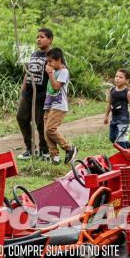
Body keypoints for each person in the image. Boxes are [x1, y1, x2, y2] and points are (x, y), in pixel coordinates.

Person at [16, 28, 54, 160]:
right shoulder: (33, 54)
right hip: (28, 94)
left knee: (40, 123)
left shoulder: (53, 55)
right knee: (21, 117)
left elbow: (60, 72)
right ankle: (30, 149)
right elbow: (27, 71)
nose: (38, 39)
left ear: (50, 40)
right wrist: (23, 88)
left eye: (42, 37)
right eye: (37, 37)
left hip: (43, 95)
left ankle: (45, 151)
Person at [42, 47, 77, 165]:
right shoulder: (55, 71)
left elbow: (56, 86)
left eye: (51, 61)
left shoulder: (64, 72)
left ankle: (68, 148)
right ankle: (54, 156)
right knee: (46, 131)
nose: (49, 64)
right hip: (49, 104)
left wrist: (50, 73)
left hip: (59, 104)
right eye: (47, 61)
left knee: (50, 129)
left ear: (59, 60)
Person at [103, 68, 130, 149]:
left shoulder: (127, 92)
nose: (117, 79)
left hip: (123, 118)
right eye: (116, 76)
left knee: (120, 140)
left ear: (127, 80)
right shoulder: (112, 90)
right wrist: (106, 116)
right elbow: (109, 103)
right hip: (114, 118)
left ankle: (126, 155)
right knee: (112, 138)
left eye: (121, 77)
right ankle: (129, 144)